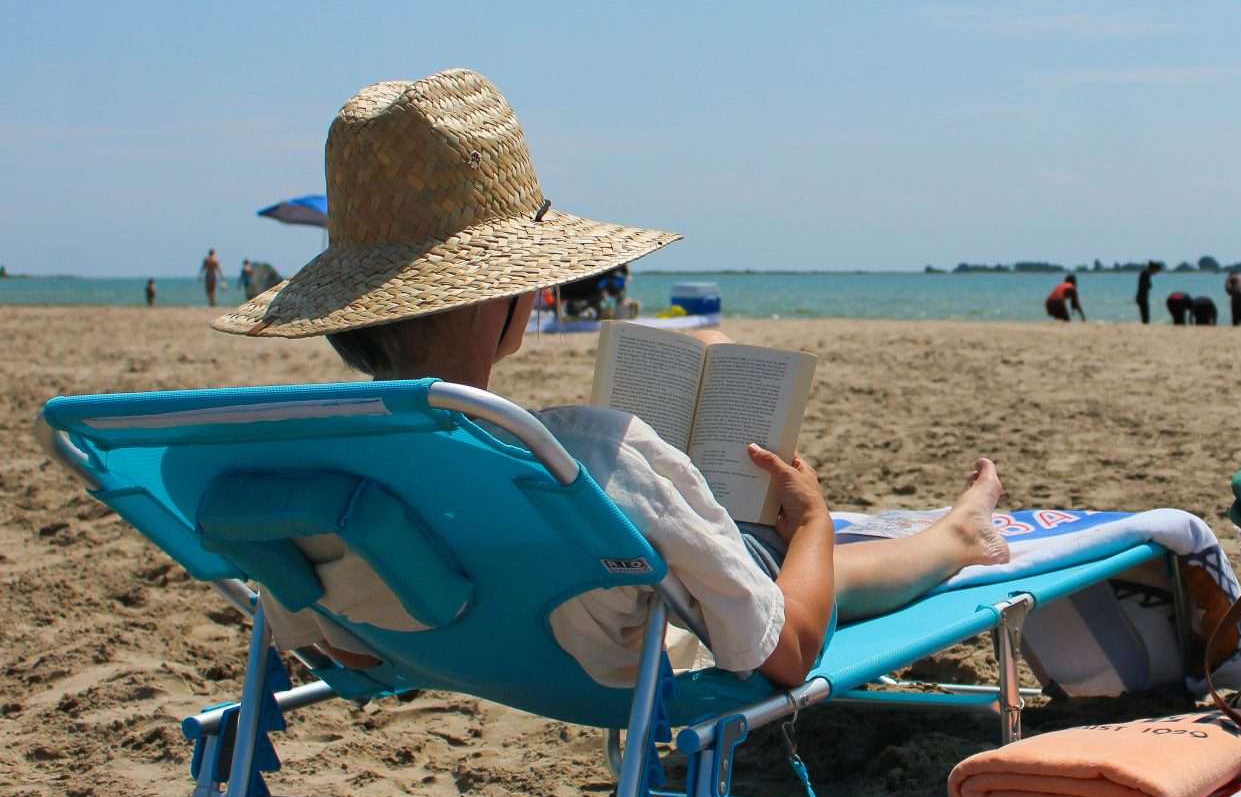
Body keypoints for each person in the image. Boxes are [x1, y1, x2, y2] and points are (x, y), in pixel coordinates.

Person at [216, 68, 1009, 689]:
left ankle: (935, 534)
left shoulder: (300, 466)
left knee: (738, 545)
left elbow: (346, 653)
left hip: (448, 650)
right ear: (507, 294)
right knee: (796, 556)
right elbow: (791, 650)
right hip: (605, 658)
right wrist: (811, 525)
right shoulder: (591, 459)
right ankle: (951, 538)